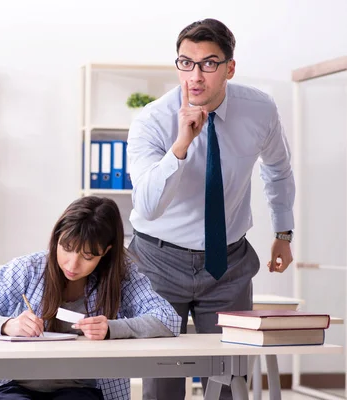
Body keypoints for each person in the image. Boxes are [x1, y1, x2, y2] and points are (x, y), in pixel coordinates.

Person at [126, 18, 295, 400]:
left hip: (228, 263)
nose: (195, 76)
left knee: (229, 378)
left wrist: (283, 233)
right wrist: (180, 146)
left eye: (209, 63)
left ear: (230, 68)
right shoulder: (152, 122)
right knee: (162, 381)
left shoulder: (259, 109)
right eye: (186, 63)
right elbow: (148, 206)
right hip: (158, 261)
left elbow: (278, 169)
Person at [0, 195, 182, 400]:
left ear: (106, 252)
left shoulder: (121, 276)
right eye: (66, 247)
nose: (72, 264)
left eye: (88, 256)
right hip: (12, 385)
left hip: (81, 389)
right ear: (57, 237)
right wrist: (8, 325)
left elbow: (168, 319)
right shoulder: (28, 269)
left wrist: (113, 328)